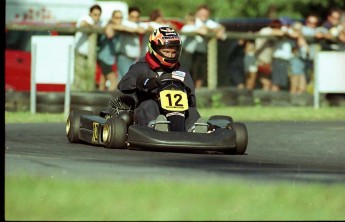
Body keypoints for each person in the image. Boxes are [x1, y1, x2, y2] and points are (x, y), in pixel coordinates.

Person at [117, 27, 207, 132]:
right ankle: (156, 127)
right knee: (149, 104)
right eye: (166, 52)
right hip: (146, 111)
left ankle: (195, 129)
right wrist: (144, 82)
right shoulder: (141, 67)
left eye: (173, 52)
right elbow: (123, 84)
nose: (170, 55)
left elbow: (192, 101)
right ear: (154, 49)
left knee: (191, 110)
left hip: (177, 113)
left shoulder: (182, 71)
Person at [190, 4, 226, 88]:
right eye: (202, 13)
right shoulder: (192, 21)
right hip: (190, 52)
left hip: (202, 52)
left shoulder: (209, 22)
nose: (204, 15)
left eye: (206, 14)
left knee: (200, 74)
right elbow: (202, 30)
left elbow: (220, 28)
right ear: (198, 13)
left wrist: (218, 30)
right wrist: (212, 30)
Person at [74, 4, 102, 91]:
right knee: (79, 78)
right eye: (94, 14)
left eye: (98, 15)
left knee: (89, 79)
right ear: (90, 13)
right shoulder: (86, 18)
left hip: (90, 55)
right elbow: (84, 24)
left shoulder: (97, 23)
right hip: (80, 53)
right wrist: (94, 27)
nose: (96, 17)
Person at [116, 6, 146, 81]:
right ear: (128, 15)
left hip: (134, 58)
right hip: (124, 57)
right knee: (127, 80)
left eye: (137, 17)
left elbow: (145, 29)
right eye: (132, 16)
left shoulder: (138, 24)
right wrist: (135, 29)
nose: (135, 18)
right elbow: (119, 26)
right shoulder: (124, 22)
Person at [97, 10, 123, 91]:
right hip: (104, 58)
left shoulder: (119, 26)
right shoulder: (109, 25)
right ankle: (107, 102)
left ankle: (98, 102)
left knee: (102, 82)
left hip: (108, 59)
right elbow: (109, 34)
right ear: (112, 18)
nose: (119, 20)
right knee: (114, 83)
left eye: (120, 18)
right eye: (117, 17)